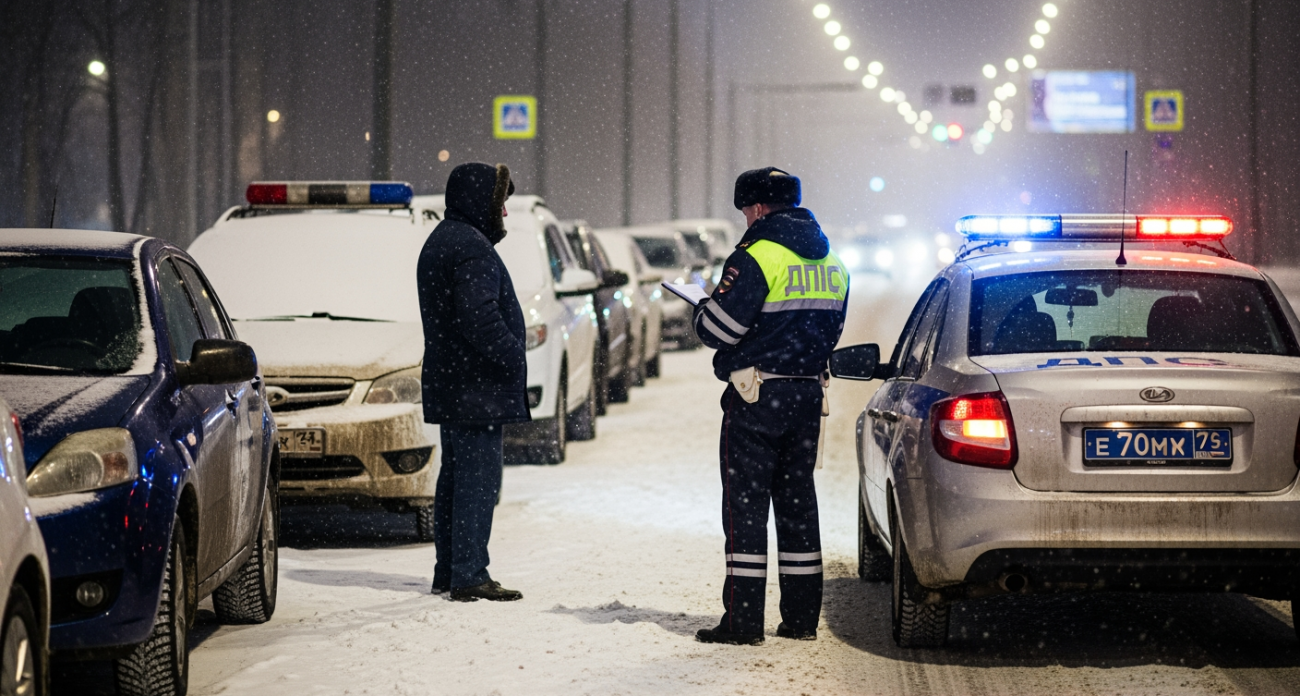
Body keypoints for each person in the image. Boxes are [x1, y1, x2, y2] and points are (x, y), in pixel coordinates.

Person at [692, 167, 849, 645]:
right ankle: (801, 619)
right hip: (807, 396)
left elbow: (719, 329)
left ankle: (743, 622)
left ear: (758, 208)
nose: (745, 218)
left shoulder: (757, 256)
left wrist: (700, 310)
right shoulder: (833, 262)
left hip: (756, 396)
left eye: (745, 210)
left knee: (746, 509)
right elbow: (829, 330)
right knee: (798, 506)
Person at [417, 162, 529, 602]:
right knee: (478, 482)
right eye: (500, 203)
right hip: (476, 387)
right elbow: (479, 317)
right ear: (481, 201)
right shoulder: (472, 248)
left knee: (456, 478)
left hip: (455, 383)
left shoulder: (444, 240)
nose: (504, 212)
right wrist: (513, 354)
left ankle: (449, 569)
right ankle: (469, 574)